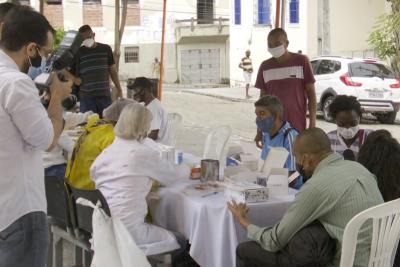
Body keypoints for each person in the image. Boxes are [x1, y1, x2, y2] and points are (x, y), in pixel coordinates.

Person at [229, 128, 384, 267]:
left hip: (346, 262)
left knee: (244, 251)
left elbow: (274, 241)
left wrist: (245, 222)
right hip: (380, 259)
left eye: (296, 157)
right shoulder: (360, 169)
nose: (297, 162)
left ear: (306, 159)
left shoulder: (316, 186)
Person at [0, 7, 71, 266]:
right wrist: (57, 98)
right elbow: (46, 140)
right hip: (20, 210)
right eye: (45, 52)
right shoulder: (16, 84)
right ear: (31, 49)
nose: (45, 58)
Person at [91, 103, 190, 259]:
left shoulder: (107, 152)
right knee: (181, 241)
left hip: (105, 229)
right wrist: (189, 169)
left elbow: (95, 175)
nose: (149, 129)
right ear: (142, 127)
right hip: (128, 233)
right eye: (147, 125)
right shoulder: (141, 153)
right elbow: (175, 176)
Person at [254, 28, 317, 148]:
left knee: (295, 163)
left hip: (296, 127)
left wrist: (312, 125)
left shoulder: (302, 61)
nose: (273, 47)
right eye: (270, 45)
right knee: (271, 163)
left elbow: (312, 96)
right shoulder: (265, 66)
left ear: (286, 43)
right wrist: (259, 131)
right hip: (270, 128)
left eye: (277, 44)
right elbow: (262, 102)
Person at [65, 98, 135, 189]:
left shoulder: (93, 127)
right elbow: (121, 171)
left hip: (75, 187)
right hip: (91, 190)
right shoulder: (110, 137)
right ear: (124, 119)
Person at [66, 24, 123, 116]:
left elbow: (113, 71)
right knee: (87, 125)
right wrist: (75, 79)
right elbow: (63, 69)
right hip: (86, 99)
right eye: (83, 38)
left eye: (89, 36)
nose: (87, 39)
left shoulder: (106, 49)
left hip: (104, 97)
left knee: (107, 122)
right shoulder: (78, 52)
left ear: (94, 34)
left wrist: (119, 89)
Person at [255, 95, 302, 189]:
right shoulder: (266, 134)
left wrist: (272, 186)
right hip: (268, 187)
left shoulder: (290, 136)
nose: (258, 118)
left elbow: (294, 176)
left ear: (275, 115)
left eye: (262, 113)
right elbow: (264, 167)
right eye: (257, 114)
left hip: (290, 192)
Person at [43, 94, 93, 178]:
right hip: (53, 168)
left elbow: (75, 117)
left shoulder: (42, 122)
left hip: (42, 168)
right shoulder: (54, 124)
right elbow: (72, 147)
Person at [327, 95, 373, 160]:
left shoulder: (370, 137)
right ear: (335, 120)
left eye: (353, 123)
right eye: (342, 124)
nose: (348, 128)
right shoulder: (329, 139)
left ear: (359, 118)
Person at [129, 77, 171, 144]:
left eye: (136, 90)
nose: (134, 94)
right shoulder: (144, 105)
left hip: (158, 147)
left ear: (144, 90)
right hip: (150, 144)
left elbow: (154, 135)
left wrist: (138, 143)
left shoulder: (155, 107)